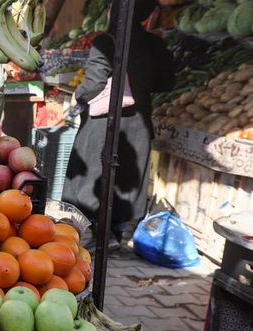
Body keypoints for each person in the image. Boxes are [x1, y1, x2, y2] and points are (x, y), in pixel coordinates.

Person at [61, 0, 175, 243]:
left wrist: (77, 97)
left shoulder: (107, 42)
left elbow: (94, 83)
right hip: (138, 125)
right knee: (127, 177)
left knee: (94, 173)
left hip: (105, 123)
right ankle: (116, 233)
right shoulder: (155, 44)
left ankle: (93, 234)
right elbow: (166, 83)